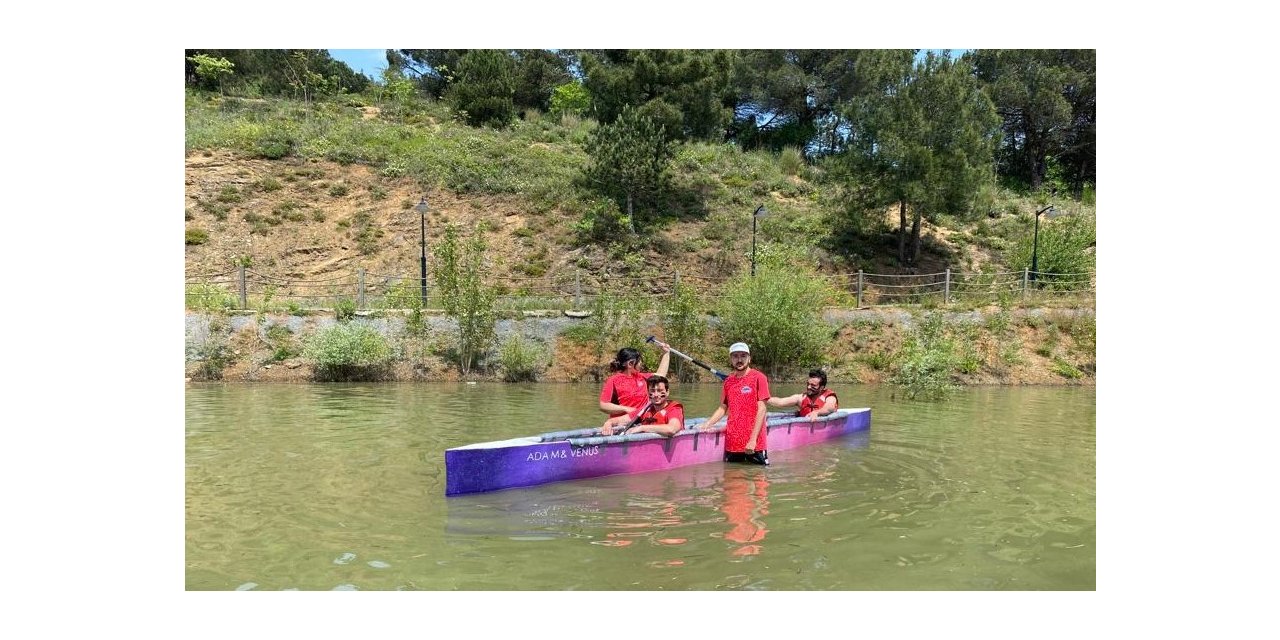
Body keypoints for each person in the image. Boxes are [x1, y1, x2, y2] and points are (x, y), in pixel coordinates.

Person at [699, 342, 771, 465]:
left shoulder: (759, 378)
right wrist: (707, 423)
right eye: (735, 356)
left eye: (743, 356)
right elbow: (723, 408)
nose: (739, 359)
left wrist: (753, 440)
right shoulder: (728, 382)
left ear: (749, 358)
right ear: (731, 359)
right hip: (733, 443)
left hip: (755, 444)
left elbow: (762, 410)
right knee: (731, 481)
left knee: (759, 479)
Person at [598, 342, 671, 417]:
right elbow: (603, 405)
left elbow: (661, 375)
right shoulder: (613, 380)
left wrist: (666, 353)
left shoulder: (643, 377)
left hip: (642, 419)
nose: (641, 363)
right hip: (622, 422)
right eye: (639, 361)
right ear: (630, 364)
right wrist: (626, 409)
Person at [600, 375, 684, 437]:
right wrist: (609, 423)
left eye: (660, 390)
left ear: (667, 392)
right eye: (652, 391)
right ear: (648, 392)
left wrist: (642, 428)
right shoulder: (645, 410)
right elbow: (620, 420)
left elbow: (672, 429)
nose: (656, 394)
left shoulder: (674, 409)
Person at [767, 369, 838, 423]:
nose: (809, 387)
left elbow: (829, 408)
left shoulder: (830, 397)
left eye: (813, 385)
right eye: (808, 384)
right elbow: (780, 402)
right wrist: (763, 398)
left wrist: (816, 412)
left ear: (822, 387)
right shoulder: (801, 398)